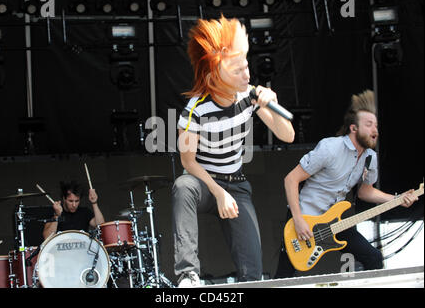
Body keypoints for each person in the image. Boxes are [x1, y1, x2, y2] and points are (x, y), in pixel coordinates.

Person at [172, 15, 295, 287]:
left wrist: (269, 104)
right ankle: (188, 275)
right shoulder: (195, 110)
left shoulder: (249, 97)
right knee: (183, 186)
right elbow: (188, 162)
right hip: (205, 184)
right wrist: (218, 192)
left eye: (246, 67)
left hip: (237, 184)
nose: (247, 75)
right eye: (238, 71)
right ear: (217, 74)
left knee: (253, 272)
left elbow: (288, 136)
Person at [274, 90, 418, 278]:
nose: (375, 130)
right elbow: (291, 179)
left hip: (334, 221)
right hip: (304, 219)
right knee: (285, 275)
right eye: (369, 124)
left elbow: (365, 192)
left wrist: (397, 199)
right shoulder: (330, 147)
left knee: (373, 259)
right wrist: (299, 220)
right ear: (353, 128)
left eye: (376, 125)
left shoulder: (370, 158)